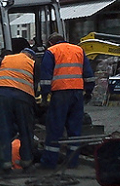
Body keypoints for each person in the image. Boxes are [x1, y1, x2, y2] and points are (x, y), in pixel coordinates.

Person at [39, 33, 95, 169]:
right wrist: (88, 91)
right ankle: (72, 161)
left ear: (51, 43)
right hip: (77, 93)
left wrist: (45, 96)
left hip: (60, 94)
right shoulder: (78, 50)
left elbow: (46, 77)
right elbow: (88, 73)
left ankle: (49, 163)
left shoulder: (51, 51)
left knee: (55, 128)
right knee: (75, 129)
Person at [0, 46, 37, 173]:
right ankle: (26, 162)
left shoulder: (6, 59)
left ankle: (5, 164)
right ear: (31, 56)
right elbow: (37, 84)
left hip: (0, 95)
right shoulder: (32, 62)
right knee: (25, 129)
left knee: (2, 129)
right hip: (22, 97)